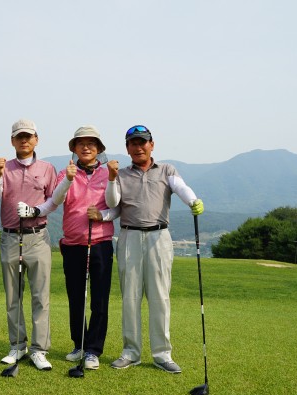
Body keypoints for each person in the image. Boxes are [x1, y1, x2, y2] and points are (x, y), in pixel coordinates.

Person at [105, 125, 204, 373]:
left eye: (143, 142)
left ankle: (162, 354)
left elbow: (181, 187)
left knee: (160, 297)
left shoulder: (167, 170)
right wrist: (111, 180)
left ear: (152, 144)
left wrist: (192, 200)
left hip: (159, 236)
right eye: (133, 143)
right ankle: (131, 352)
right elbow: (113, 204)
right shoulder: (121, 175)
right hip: (129, 236)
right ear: (127, 148)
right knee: (130, 297)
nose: (138, 147)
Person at [0, 119, 58, 371]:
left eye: (28, 136)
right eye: (19, 136)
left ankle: (39, 350)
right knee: (13, 296)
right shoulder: (4, 167)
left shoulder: (47, 168)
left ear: (36, 139)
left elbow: (54, 200)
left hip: (38, 237)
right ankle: (17, 345)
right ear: (12, 141)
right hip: (10, 238)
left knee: (40, 296)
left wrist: (35, 211)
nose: (24, 140)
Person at [52, 126, 119, 370]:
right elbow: (57, 199)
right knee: (76, 297)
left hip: (100, 243)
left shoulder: (109, 172)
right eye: (81, 143)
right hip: (73, 244)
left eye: (91, 143)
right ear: (74, 148)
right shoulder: (65, 173)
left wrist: (102, 215)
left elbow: (117, 206)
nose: (86, 147)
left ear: (99, 148)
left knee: (99, 299)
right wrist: (69, 179)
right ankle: (79, 344)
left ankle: (93, 350)